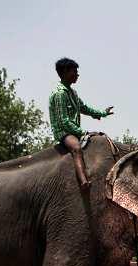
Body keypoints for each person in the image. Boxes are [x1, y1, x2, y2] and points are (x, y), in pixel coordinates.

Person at [49, 57, 114, 191]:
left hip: (73, 130)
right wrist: (82, 132)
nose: (77, 74)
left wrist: (101, 113)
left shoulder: (72, 93)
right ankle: (83, 181)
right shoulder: (59, 94)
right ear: (65, 72)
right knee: (77, 148)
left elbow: (83, 108)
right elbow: (64, 121)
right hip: (64, 132)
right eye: (74, 71)